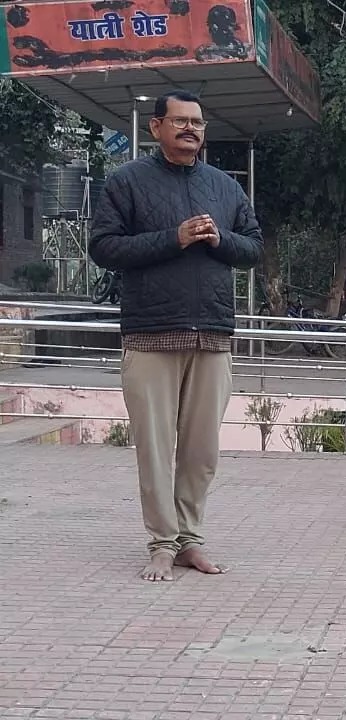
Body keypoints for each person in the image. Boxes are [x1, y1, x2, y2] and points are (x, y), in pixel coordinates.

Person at [88, 89, 262, 582]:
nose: (191, 129)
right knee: (155, 448)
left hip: (212, 335)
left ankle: (190, 540)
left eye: (198, 123)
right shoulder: (126, 181)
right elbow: (103, 247)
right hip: (151, 335)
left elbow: (253, 248)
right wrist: (174, 238)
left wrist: (219, 239)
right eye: (180, 121)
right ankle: (162, 544)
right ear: (156, 127)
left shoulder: (225, 187)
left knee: (201, 452)